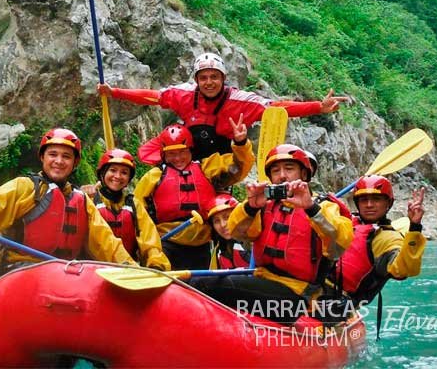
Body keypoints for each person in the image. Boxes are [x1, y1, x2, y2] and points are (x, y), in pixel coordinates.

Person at [189, 143, 353, 324]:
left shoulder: (324, 207)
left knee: (204, 284)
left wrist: (310, 208)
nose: (282, 175)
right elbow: (237, 232)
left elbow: (338, 246)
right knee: (201, 281)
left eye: (289, 169)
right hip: (264, 283)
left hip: (298, 296)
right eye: (276, 171)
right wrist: (250, 207)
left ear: (304, 174)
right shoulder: (265, 206)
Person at [98, 52, 349, 160]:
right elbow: (152, 97)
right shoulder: (185, 94)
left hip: (223, 159)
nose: (209, 82)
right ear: (196, 80)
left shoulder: (240, 101)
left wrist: (318, 106)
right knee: (162, 144)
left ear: (223, 78)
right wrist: (115, 92)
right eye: (203, 77)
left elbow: (277, 108)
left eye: (214, 77)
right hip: (189, 153)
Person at [0, 128, 136, 280]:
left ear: (74, 163)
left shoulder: (81, 200)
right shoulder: (25, 187)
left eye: (66, 156)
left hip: (65, 273)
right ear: (42, 158)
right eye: (53, 154)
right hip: (21, 272)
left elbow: (106, 242)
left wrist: (131, 268)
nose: (59, 161)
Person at [134, 118, 254, 270]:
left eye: (182, 152)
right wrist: (146, 247)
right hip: (165, 243)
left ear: (190, 150)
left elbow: (238, 167)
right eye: (172, 154)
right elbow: (138, 213)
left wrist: (241, 144)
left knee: (200, 285)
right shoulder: (153, 177)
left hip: (203, 243)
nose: (177, 158)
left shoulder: (207, 168)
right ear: (164, 155)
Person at [327, 175, 427, 307]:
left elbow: (403, 270)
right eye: (364, 200)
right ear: (357, 203)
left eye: (376, 200)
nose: (369, 205)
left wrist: (414, 227)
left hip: (338, 304)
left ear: (388, 204)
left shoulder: (388, 239)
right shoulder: (346, 222)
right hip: (312, 290)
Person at [82, 148, 171, 271]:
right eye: (112, 170)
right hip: (94, 269)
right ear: (102, 174)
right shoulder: (89, 200)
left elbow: (149, 239)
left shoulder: (134, 205)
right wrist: (80, 194)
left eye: (124, 173)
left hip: (129, 271)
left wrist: (156, 264)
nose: (118, 176)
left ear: (129, 179)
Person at [207, 192, 250, 270]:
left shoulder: (252, 241)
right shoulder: (218, 250)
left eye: (227, 217)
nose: (223, 225)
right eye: (217, 221)